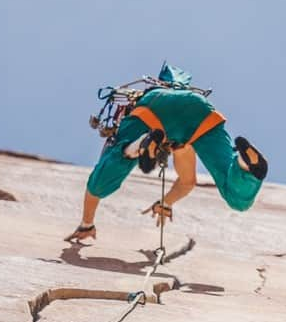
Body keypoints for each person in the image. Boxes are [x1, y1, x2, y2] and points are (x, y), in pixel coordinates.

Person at [66, 64, 268, 242]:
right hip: (200, 109)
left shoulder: (176, 141)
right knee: (236, 198)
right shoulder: (183, 145)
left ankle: (135, 147)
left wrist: (87, 223)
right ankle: (244, 166)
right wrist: (166, 203)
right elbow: (187, 182)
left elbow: (93, 191)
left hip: (154, 107)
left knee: (102, 177)